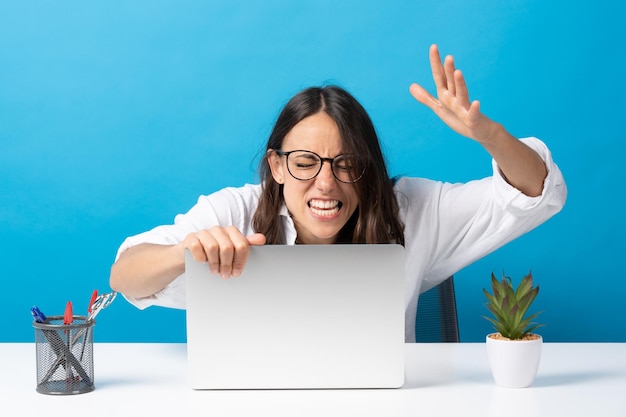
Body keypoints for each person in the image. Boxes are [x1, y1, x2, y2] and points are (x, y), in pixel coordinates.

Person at [109, 44, 567, 342]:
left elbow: (534, 194)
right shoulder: (235, 210)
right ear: (276, 166)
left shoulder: (412, 210)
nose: (325, 184)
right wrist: (186, 252)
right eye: (305, 163)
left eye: (346, 164)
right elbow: (124, 274)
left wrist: (490, 136)